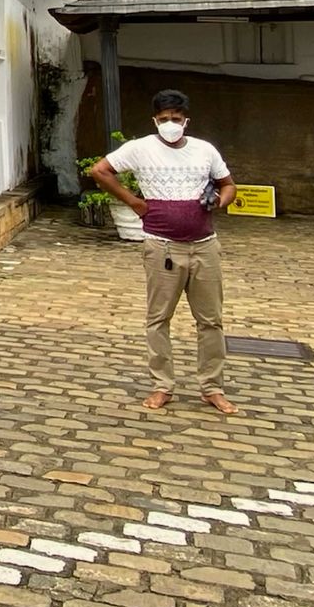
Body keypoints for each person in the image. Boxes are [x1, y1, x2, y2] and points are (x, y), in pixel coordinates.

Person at [90, 88, 239, 415]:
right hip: (162, 247)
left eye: (176, 119)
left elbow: (228, 184)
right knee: (159, 319)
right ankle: (162, 385)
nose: (170, 124)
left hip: (204, 247)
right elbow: (100, 170)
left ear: (187, 121)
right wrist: (135, 203)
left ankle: (212, 387)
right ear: (154, 121)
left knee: (211, 320)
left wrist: (220, 201)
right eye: (163, 119)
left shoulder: (204, 150)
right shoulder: (140, 149)